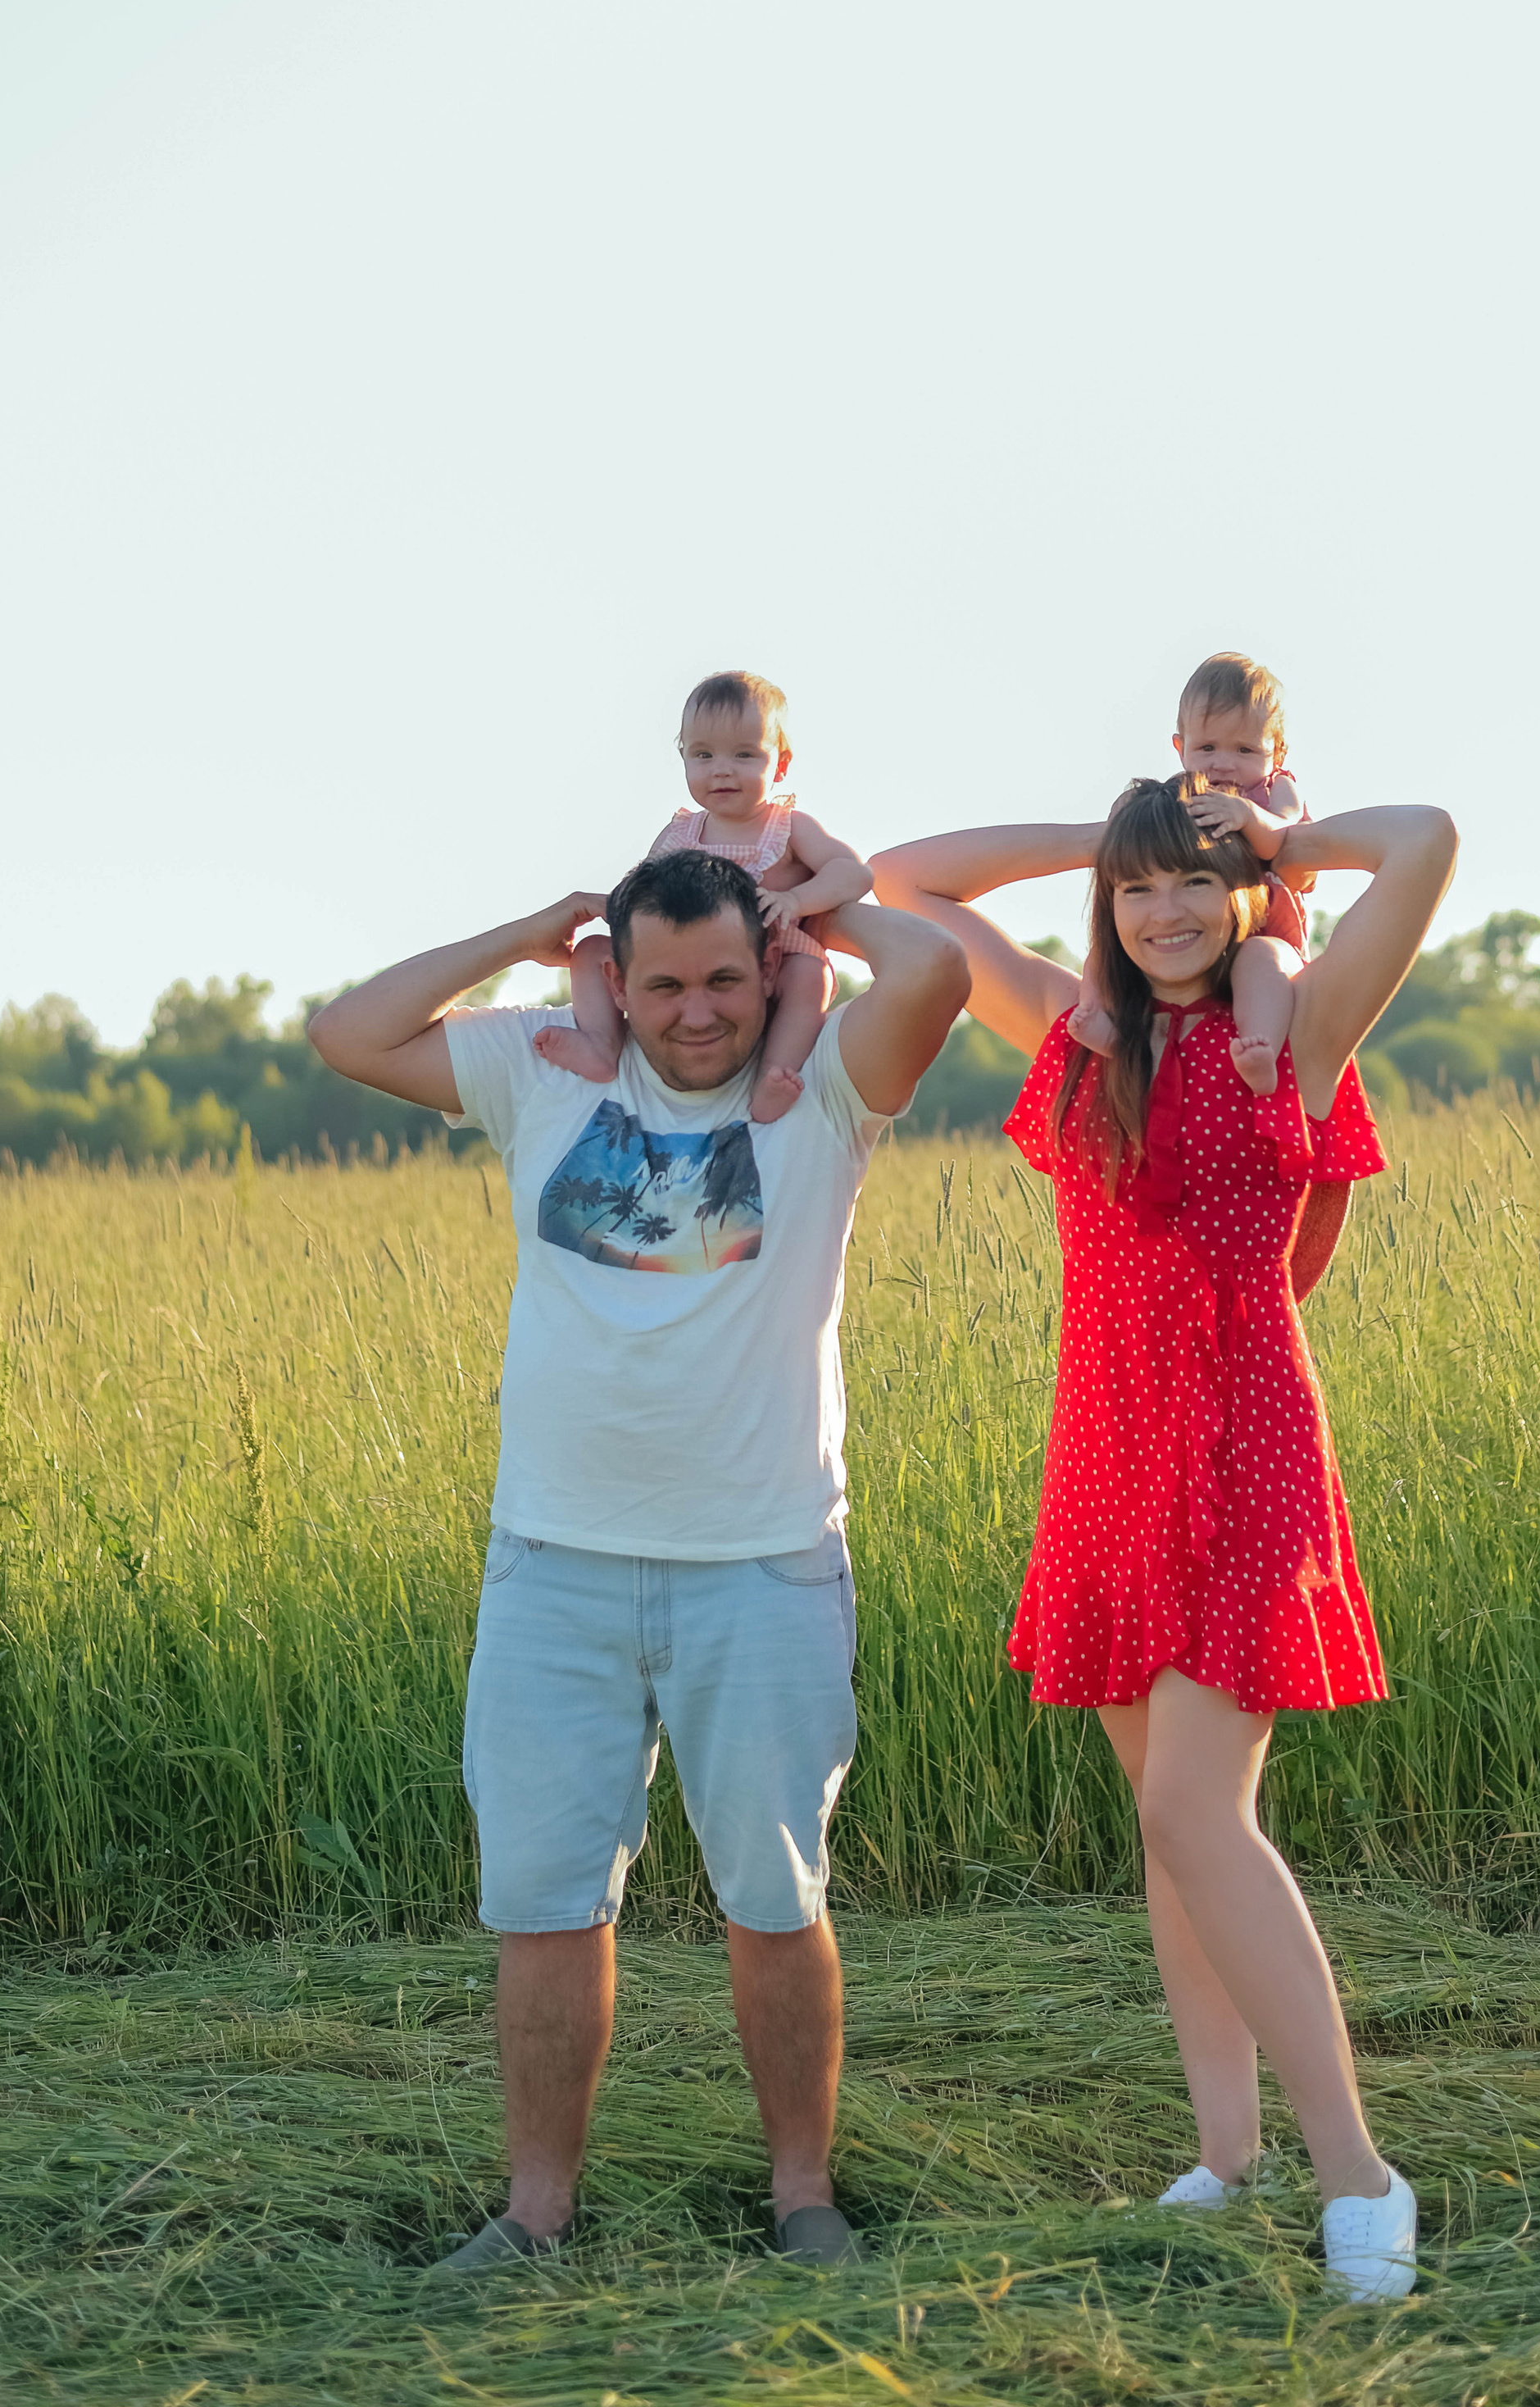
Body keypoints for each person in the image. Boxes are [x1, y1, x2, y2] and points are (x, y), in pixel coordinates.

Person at [307, 851, 969, 2271]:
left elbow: (936, 971)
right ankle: (536, 2215)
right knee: (547, 1907)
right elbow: (348, 1032)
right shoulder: (544, 1067)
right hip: (554, 1567)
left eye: (727, 977)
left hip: (763, 1565)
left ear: (771, 965)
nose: (697, 1012)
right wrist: (525, 932)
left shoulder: (825, 1085)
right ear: (615, 974)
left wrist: (823, 903)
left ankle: (803, 2198)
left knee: (776, 1903)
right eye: (662, 984)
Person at [871, 779, 1456, 2300]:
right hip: (1106, 1457)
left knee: (1201, 1812)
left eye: (1194, 884)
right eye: (1139, 891)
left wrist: (1266, 843)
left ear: (1245, 891)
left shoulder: (1299, 1029)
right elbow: (907, 880)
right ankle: (1227, 2155)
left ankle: (1360, 2174)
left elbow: (1425, 842)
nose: (1166, 913)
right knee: (1167, 1824)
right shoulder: (1080, 1034)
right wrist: (1117, 833)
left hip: (1245, 1449)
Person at [535, 670, 871, 1125]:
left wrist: (797, 900)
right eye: (703, 754)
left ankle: (775, 1073)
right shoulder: (680, 832)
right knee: (593, 950)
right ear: (684, 759)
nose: (722, 769)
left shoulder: (788, 827)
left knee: (812, 975)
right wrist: (613, 904)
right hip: (683, 963)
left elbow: (854, 873)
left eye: (744, 754)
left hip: (772, 952)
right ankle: (600, 1043)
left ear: (781, 763)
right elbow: (644, 894)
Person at [1069, 653, 1313, 1100]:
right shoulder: (1180, 797)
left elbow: (1282, 836)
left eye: (1245, 750)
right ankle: (1102, 1022)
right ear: (1180, 748)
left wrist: (1247, 815)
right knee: (1104, 954)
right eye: (1207, 749)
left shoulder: (1274, 790)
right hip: (1189, 943)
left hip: (1264, 935)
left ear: (1276, 752)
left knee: (1262, 963)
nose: (1223, 764)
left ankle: (1259, 1049)